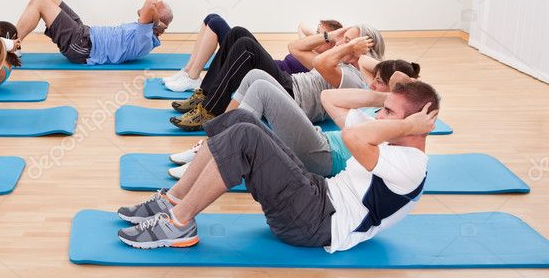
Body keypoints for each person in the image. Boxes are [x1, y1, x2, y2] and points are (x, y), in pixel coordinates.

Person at [115, 80, 440, 252]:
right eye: (383, 112)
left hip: (316, 223)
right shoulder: (385, 136)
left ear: (414, 125)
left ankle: (179, 224)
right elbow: (331, 99)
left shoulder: (410, 165)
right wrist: (382, 103)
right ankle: (173, 200)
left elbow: (355, 138)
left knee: (244, 136)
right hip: (315, 195)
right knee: (241, 118)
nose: (380, 118)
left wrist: (409, 125)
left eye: (389, 114)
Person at [168, 63, 420, 180]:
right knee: (255, 74)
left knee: (262, 91)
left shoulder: (390, 135)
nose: (382, 112)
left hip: (323, 156)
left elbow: (401, 80)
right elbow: (328, 97)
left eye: (389, 109)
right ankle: (211, 146)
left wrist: (395, 100)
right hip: (318, 139)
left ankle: (215, 153)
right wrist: (384, 97)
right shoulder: (373, 117)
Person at [170, 23, 386, 129]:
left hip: (292, 97)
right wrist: (330, 36)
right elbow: (295, 48)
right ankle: (206, 95)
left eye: (348, 40)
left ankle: (209, 112)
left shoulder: (352, 78)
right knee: (238, 33)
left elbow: (321, 62)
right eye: (344, 39)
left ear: (363, 48)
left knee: (246, 47)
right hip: (288, 84)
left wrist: (348, 47)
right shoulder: (337, 63)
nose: (341, 43)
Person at [162, 14, 343, 92]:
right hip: (267, 63)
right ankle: (188, 71)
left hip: (267, 72)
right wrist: (324, 37)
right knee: (212, 18)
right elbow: (302, 26)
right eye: (318, 32)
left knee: (218, 25)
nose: (318, 36)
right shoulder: (309, 49)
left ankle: (193, 77)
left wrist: (331, 39)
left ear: (332, 45)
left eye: (323, 36)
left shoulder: (319, 61)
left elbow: (296, 42)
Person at [15, 0, 172, 65]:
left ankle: (12, 47)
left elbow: (149, 7)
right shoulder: (147, 28)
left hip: (83, 47)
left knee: (41, 2)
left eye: (155, 9)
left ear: (154, 19)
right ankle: (15, 43)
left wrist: (156, 22)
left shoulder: (144, 38)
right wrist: (156, 18)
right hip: (85, 32)